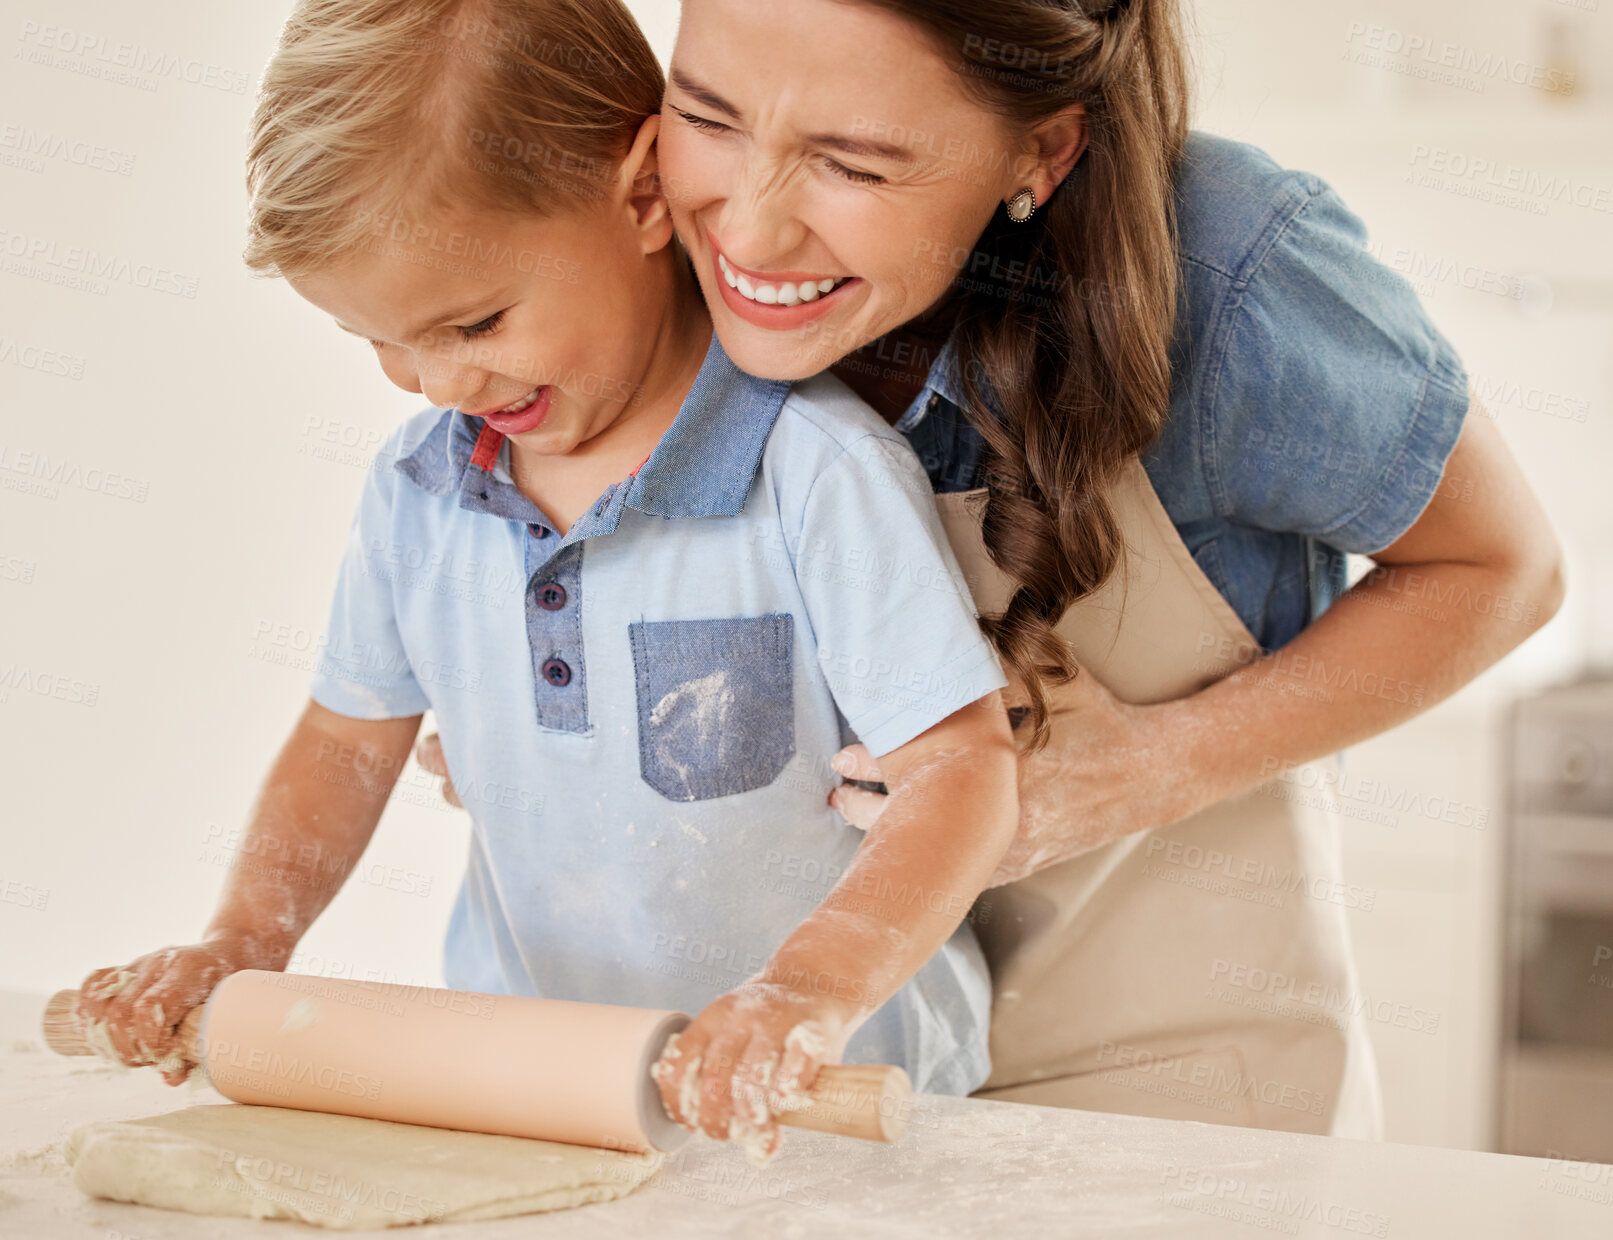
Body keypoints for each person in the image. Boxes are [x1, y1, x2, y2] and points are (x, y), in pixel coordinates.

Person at [413, 0, 1567, 1138]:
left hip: (1176, 1126)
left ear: (1040, 152)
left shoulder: (1225, 272)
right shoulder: (655, 255)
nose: (749, 235)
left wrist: (1149, 768)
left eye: (853, 165)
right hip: (807, 1109)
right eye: (708, 115)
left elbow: (1499, 568)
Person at [72, 0, 1023, 1158]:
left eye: (473, 321)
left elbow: (960, 773)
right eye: (376, 339)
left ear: (638, 197)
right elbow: (344, 741)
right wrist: (241, 937)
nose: (432, 384)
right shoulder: (420, 491)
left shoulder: (816, 475)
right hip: (545, 1084)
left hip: (826, 1101)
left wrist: (803, 994)